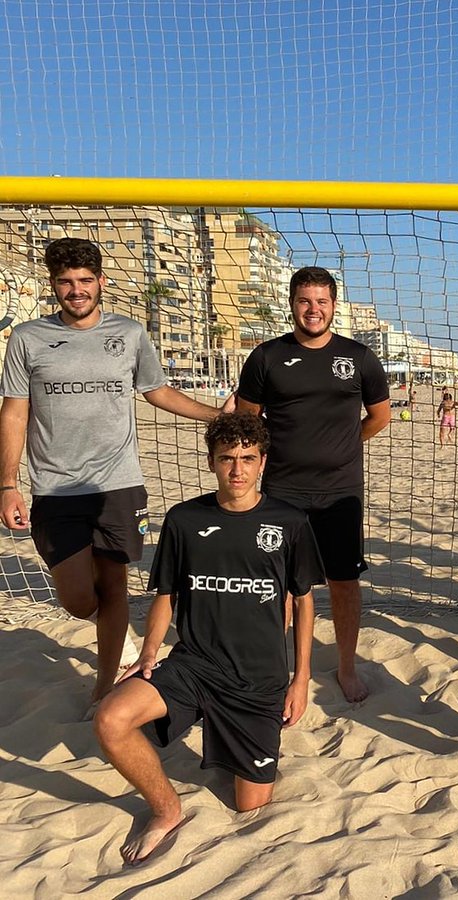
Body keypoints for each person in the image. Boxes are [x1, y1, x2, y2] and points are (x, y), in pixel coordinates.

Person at [0, 237, 222, 708]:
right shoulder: (28, 339)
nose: (76, 290)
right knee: (78, 599)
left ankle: (105, 684)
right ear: (53, 286)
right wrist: (7, 484)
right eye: (65, 282)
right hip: (56, 488)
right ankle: (111, 636)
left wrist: (213, 416)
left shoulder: (131, 333)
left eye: (85, 280)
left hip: (119, 483)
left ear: (102, 281)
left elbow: (157, 391)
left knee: (116, 584)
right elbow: (14, 412)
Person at [93, 412, 324, 865]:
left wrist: (301, 680)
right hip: (195, 664)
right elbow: (166, 594)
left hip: (258, 680)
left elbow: (303, 602)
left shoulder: (289, 522)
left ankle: (226, 733)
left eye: (247, 458)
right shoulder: (184, 519)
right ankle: (166, 809)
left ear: (263, 463)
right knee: (110, 720)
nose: (237, 470)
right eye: (226, 459)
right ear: (211, 462)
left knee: (249, 805)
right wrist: (148, 652)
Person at [236, 266, 391, 702]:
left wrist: (343, 444)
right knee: (281, 583)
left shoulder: (358, 357)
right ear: (291, 304)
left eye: (321, 301)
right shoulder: (266, 356)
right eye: (305, 301)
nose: (313, 310)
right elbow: (247, 419)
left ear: (334, 306)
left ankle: (345, 666)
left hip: (340, 492)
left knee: (343, 582)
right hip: (282, 488)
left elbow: (380, 416)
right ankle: (277, 667)